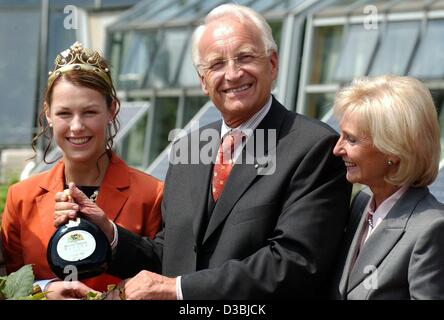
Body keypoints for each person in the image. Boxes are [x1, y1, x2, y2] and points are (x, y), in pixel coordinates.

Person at [55, 4, 351, 299]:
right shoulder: (188, 148)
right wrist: (110, 232)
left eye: (245, 57)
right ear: (203, 81)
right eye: (217, 64)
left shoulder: (313, 147)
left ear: (272, 64)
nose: (233, 74)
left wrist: (179, 290)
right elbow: (170, 254)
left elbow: (294, 263)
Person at [1, 42, 163, 298]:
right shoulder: (20, 198)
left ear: (112, 110)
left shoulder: (152, 195)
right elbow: (8, 285)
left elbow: (164, 272)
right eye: (64, 113)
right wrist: (43, 290)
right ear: (48, 114)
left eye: (89, 112)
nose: (77, 127)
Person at [331, 75, 444, 299]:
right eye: (340, 135)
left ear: (393, 150)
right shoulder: (362, 202)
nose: (337, 149)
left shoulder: (431, 228)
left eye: (351, 140)